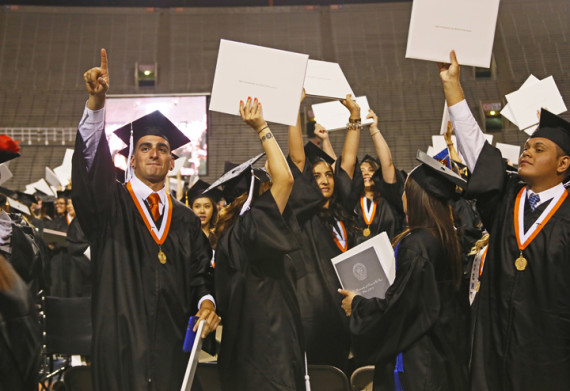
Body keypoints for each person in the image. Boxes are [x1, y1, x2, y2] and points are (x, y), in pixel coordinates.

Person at [72, 48, 220, 391]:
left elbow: (200, 276)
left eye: (163, 148)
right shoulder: (111, 205)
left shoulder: (184, 220)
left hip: (172, 353)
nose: (154, 152)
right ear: (131, 159)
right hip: (121, 351)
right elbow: (89, 171)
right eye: (145, 147)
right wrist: (96, 104)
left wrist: (207, 303)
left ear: (172, 162)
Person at [439, 50, 570, 390]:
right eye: (527, 145)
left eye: (539, 148)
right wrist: (452, 84)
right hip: (494, 347)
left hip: (549, 355)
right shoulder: (506, 197)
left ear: (563, 164)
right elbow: (477, 151)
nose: (526, 151)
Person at [339, 152, 470, 391]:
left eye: (406, 189)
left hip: (419, 359)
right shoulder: (445, 237)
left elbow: (401, 307)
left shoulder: (417, 244)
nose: (401, 195)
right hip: (444, 351)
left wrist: (357, 304)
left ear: (417, 197)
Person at [213, 97, 305, 391]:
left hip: (241, 345)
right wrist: (262, 127)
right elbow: (286, 180)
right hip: (269, 348)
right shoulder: (251, 226)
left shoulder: (229, 236)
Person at [287, 92, 363, 371]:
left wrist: (354, 117)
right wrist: (295, 105)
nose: (324, 180)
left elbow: (349, 162)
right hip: (314, 315)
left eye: (327, 175)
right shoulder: (303, 214)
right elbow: (296, 158)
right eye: (315, 176)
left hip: (346, 310)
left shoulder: (342, 213)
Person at [354, 109, 406, 244]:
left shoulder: (389, 198)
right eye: (362, 170)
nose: (365, 173)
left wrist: (374, 129)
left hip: (389, 258)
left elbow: (387, 164)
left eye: (371, 170)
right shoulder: (353, 202)